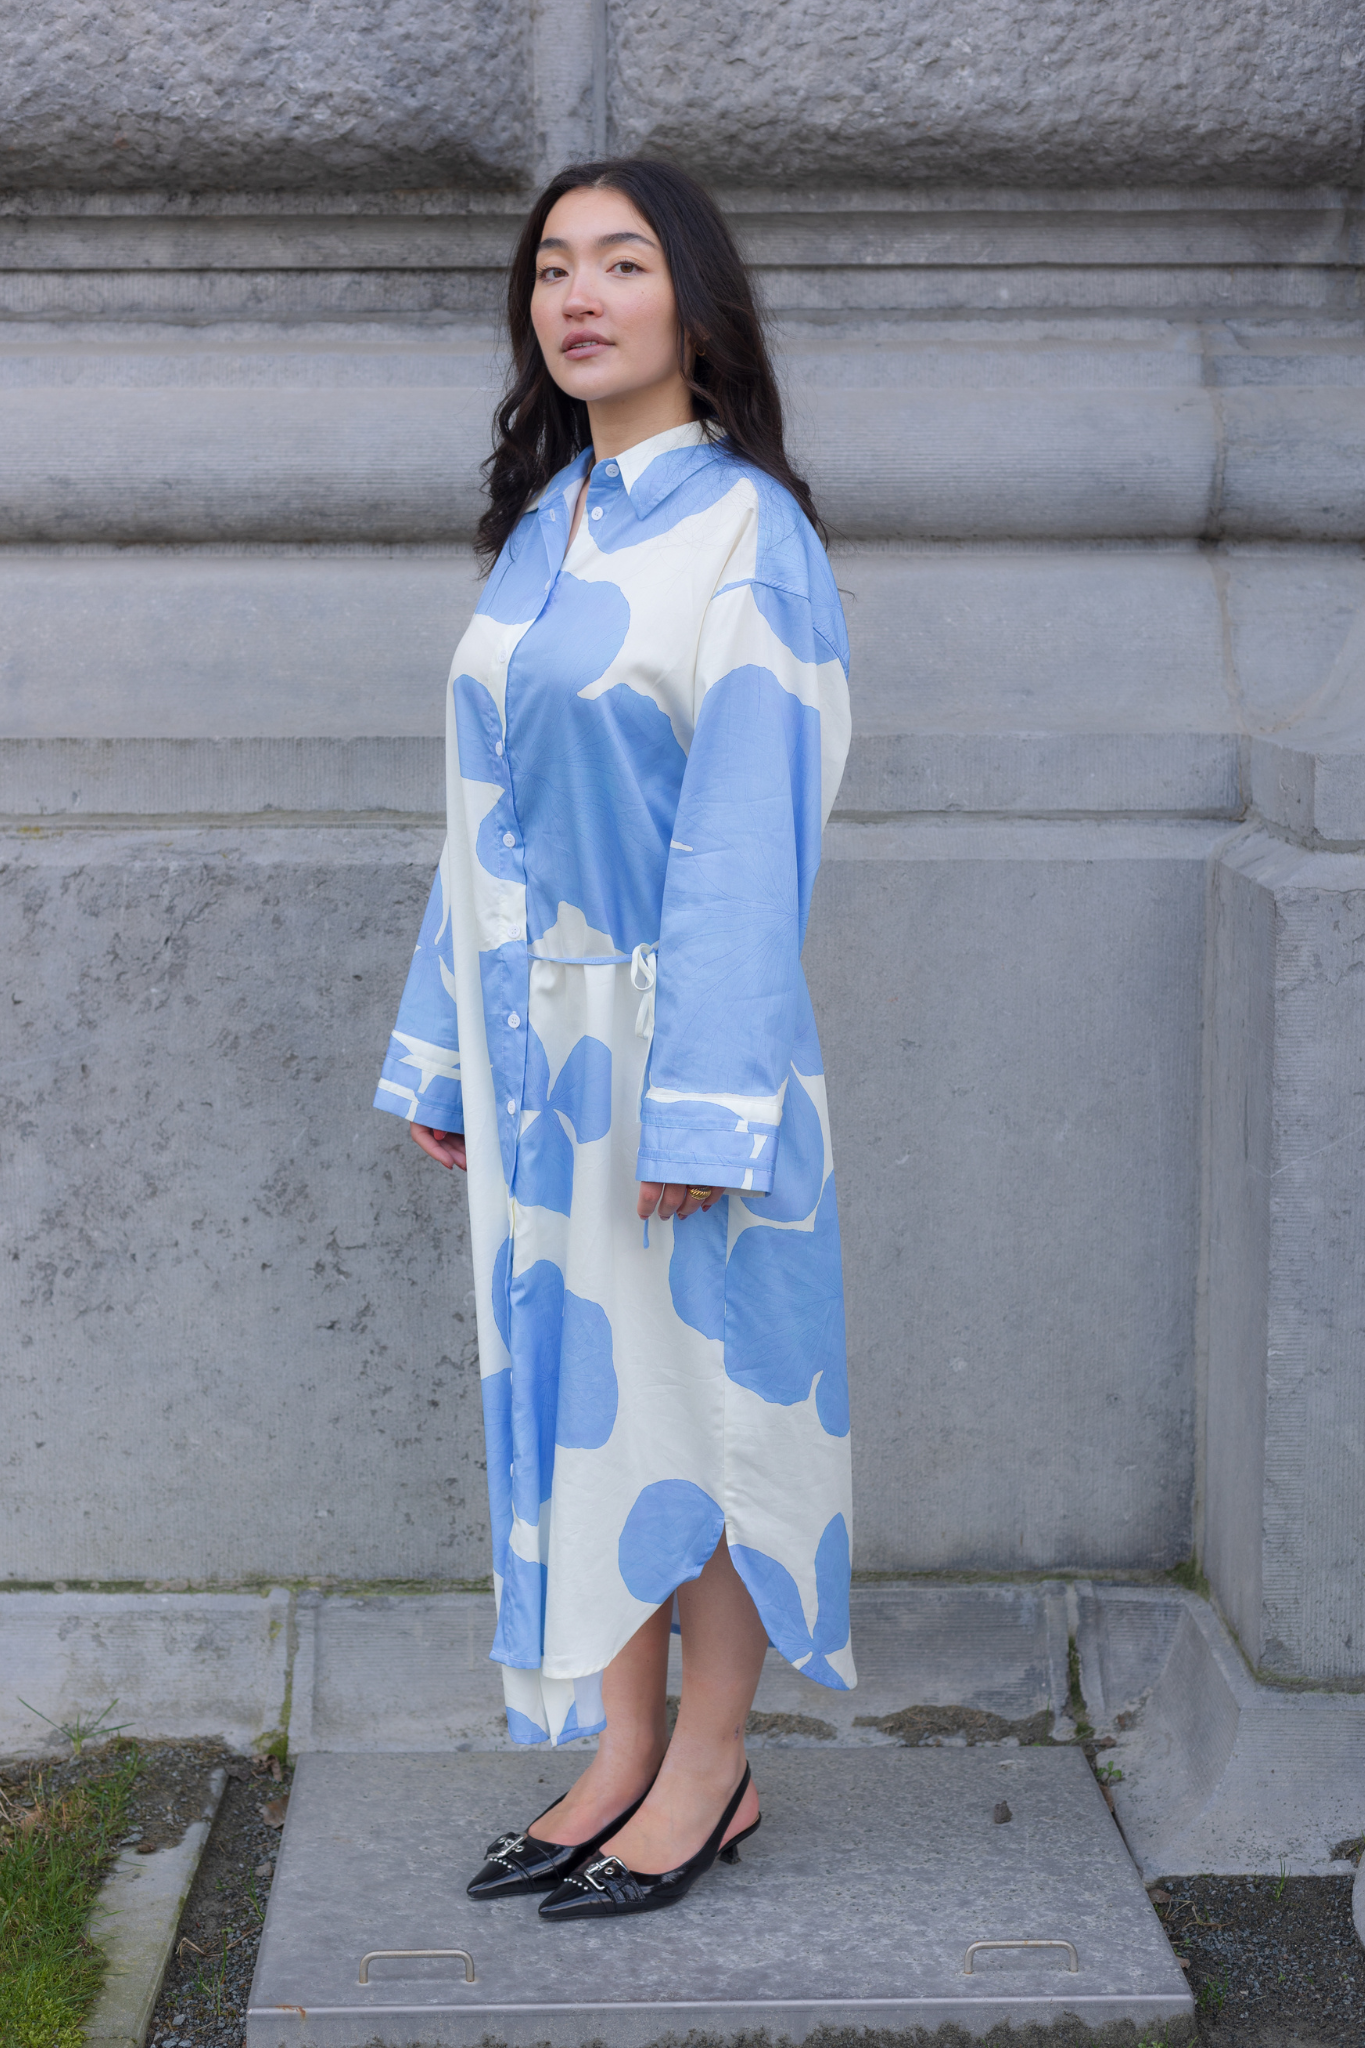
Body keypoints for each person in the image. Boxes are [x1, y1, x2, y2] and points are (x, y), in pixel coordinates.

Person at [374, 156, 854, 1922]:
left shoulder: (747, 533)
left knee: (703, 1411)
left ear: (691, 302)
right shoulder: (547, 529)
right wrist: (443, 1049)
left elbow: (749, 835)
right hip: (534, 1057)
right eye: (553, 267)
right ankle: (618, 1743)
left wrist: (704, 1108)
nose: (578, 294)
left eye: (622, 263)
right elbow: (476, 817)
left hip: (673, 1053)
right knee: (594, 1410)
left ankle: (712, 1769)